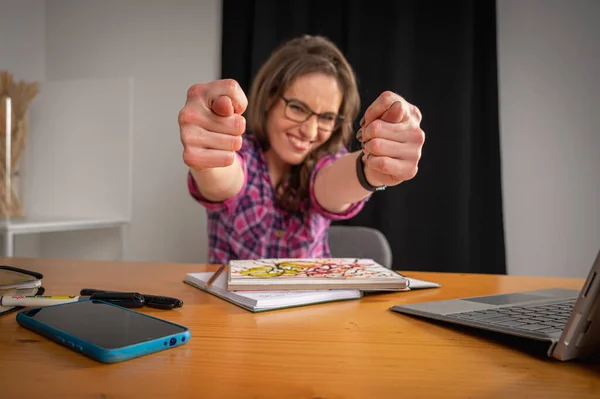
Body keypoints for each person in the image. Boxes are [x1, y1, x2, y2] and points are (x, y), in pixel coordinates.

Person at [178, 35, 425, 264]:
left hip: (312, 310)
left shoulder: (327, 162)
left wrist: (374, 164)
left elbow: (334, 183)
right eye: (297, 108)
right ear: (269, 99)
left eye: (327, 117)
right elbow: (224, 177)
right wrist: (209, 151)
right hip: (228, 310)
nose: (309, 131)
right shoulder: (243, 154)